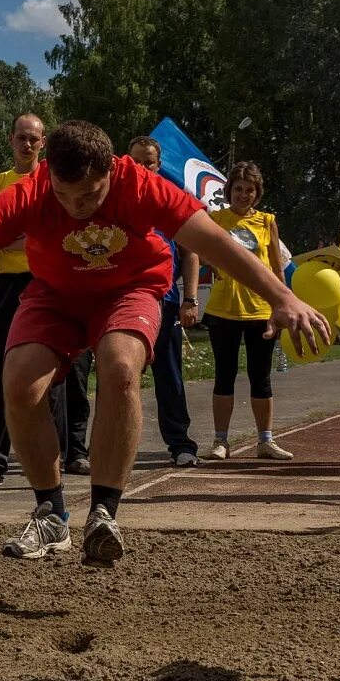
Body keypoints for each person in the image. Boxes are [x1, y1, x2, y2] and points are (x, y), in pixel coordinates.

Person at [0, 120, 326, 566]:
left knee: (120, 368)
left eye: (88, 196)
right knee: (19, 383)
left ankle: (103, 511)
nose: (75, 206)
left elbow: (219, 243)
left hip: (130, 290)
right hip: (55, 294)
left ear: (111, 170)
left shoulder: (141, 184)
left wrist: (282, 297)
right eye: (64, 195)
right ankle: (50, 515)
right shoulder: (33, 190)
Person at [0, 114, 90, 488]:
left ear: (44, 144)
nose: (27, 145)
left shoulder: (56, 182)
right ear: (11, 140)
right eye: (21, 138)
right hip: (7, 284)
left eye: (34, 139)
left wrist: (24, 238)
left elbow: (61, 236)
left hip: (51, 282)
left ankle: (58, 453)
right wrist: (26, 238)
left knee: (59, 375)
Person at [201, 162, 293, 461]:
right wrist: (213, 264)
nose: (243, 194)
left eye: (249, 190)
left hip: (260, 310)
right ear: (229, 190)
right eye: (238, 189)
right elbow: (203, 253)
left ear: (257, 193)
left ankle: (265, 441)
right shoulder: (215, 219)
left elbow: (278, 269)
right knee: (224, 376)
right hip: (224, 310)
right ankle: (220, 441)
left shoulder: (267, 222)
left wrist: (281, 304)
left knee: (261, 378)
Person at [128, 136, 201, 466]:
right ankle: (108, 446)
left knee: (169, 375)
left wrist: (190, 298)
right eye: (136, 162)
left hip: (166, 301)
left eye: (149, 162)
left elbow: (191, 253)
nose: (143, 168)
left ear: (158, 165)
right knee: (120, 376)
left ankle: (181, 444)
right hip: (125, 302)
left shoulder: (171, 200)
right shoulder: (115, 200)